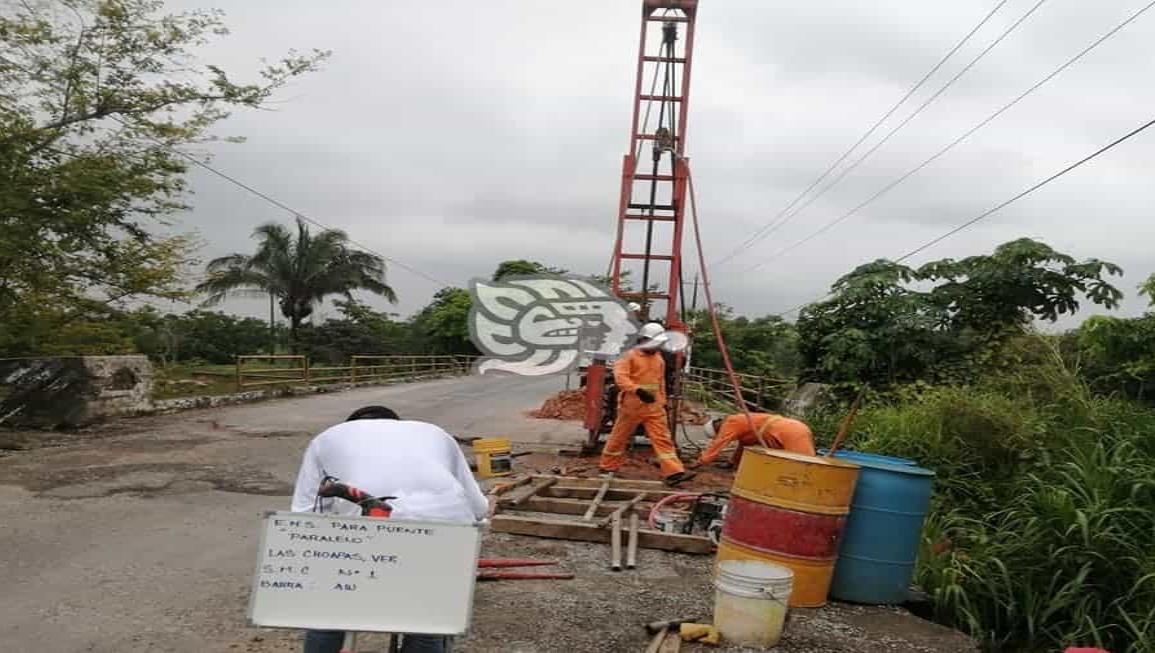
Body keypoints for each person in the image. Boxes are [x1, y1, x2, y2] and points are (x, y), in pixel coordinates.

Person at [290, 405, 489, 653]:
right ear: (397, 422)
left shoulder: (327, 438)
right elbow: (479, 508)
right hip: (445, 531)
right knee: (428, 619)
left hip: (370, 530)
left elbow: (303, 515)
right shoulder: (436, 434)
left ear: (350, 424)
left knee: (328, 615)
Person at [598, 322, 693, 486]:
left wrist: (662, 401)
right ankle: (607, 467)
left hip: (654, 406)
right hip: (632, 405)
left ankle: (673, 472)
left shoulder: (658, 359)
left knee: (662, 439)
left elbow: (660, 382)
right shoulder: (628, 356)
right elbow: (621, 378)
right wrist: (638, 391)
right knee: (619, 437)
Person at [691, 412, 816, 469]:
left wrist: (701, 461)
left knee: (805, 465)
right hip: (784, 431)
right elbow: (742, 446)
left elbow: (718, 443)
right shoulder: (741, 427)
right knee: (792, 463)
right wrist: (732, 462)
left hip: (790, 430)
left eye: (718, 433)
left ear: (717, 427)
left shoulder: (730, 422)